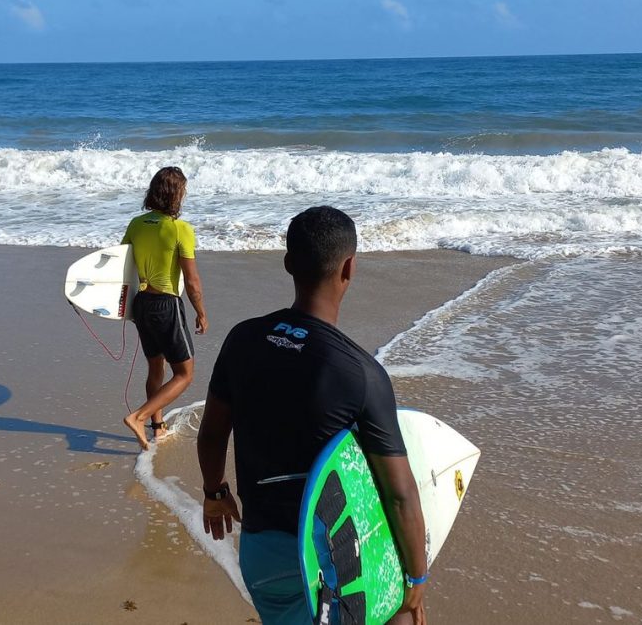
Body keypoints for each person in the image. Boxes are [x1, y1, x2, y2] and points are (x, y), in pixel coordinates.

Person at [197, 206, 428, 625]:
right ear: (349, 268)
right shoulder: (361, 374)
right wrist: (416, 579)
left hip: (258, 553)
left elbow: (212, 434)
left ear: (287, 263)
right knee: (400, 616)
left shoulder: (242, 338)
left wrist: (215, 494)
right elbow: (400, 493)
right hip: (320, 558)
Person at [121, 166, 209, 450]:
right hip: (165, 305)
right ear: (176, 195)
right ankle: (139, 417)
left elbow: (121, 265)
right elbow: (192, 281)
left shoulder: (136, 224)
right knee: (185, 373)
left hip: (141, 304)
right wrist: (201, 311)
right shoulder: (180, 229)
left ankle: (158, 428)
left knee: (155, 366)